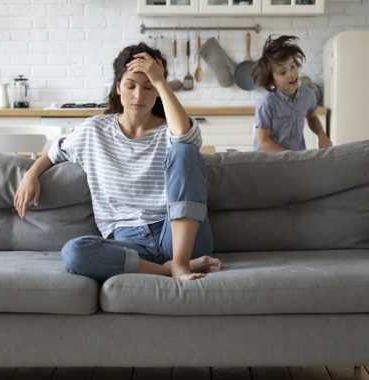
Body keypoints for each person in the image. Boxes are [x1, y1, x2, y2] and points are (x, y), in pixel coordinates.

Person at [14, 42, 223, 282]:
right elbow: (54, 152)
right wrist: (31, 175)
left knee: (184, 151)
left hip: (179, 233)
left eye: (148, 87)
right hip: (129, 242)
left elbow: (186, 138)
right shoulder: (94, 130)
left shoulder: (171, 131)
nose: (138, 95)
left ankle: (181, 260)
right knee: (74, 252)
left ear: (157, 91)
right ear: (117, 88)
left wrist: (160, 80)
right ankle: (173, 269)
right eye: (130, 85)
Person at [251, 35, 332, 152]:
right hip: (268, 162)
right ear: (272, 79)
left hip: (296, 158)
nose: (291, 74)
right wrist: (288, 156)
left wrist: (322, 135)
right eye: (283, 72)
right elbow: (263, 142)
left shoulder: (308, 95)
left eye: (293, 67)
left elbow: (312, 118)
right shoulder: (267, 103)